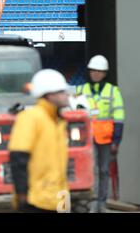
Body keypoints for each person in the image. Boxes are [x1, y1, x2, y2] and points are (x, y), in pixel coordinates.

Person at [9, 69, 70, 213]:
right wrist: (22, 197)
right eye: (62, 92)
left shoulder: (58, 122)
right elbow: (18, 160)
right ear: (49, 95)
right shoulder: (31, 118)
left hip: (60, 200)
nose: (66, 95)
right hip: (36, 202)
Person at [76, 55, 125, 213]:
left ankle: (102, 203)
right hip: (87, 140)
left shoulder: (113, 91)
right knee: (92, 170)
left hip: (105, 139)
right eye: (93, 70)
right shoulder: (80, 90)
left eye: (99, 71)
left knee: (104, 170)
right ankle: (92, 202)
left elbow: (119, 117)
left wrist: (116, 141)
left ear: (104, 73)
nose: (95, 74)